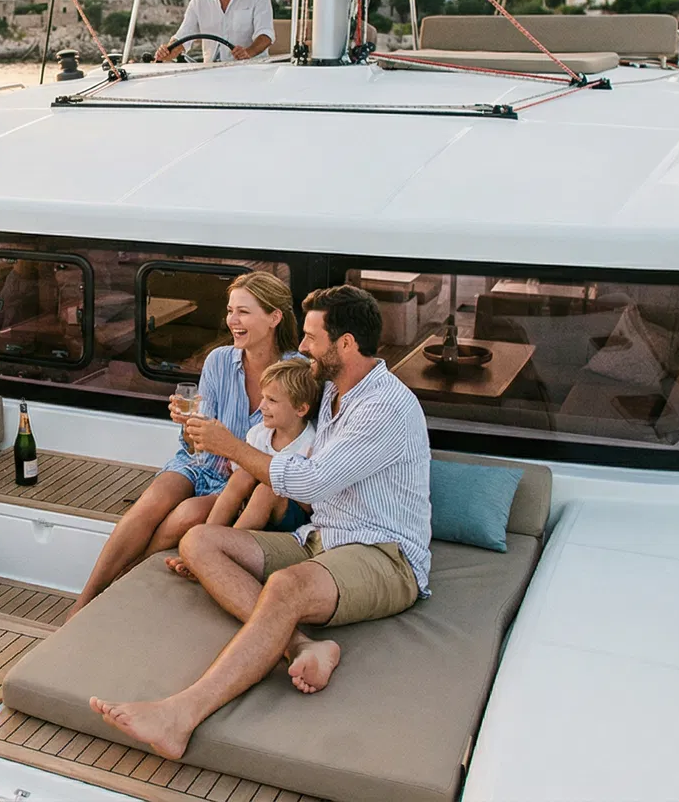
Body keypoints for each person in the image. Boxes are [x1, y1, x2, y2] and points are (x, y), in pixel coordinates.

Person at [90, 285, 432, 762]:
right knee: (200, 541)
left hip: (383, 555)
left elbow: (310, 482)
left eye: (313, 338)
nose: (305, 347)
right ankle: (300, 646)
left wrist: (232, 447)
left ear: (347, 344)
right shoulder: (332, 390)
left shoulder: (384, 407)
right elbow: (290, 435)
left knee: (286, 588)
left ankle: (179, 715)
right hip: (321, 539)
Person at [68, 271, 300, 616]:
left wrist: (226, 447)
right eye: (230, 310)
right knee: (150, 504)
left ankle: (119, 588)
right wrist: (188, 426)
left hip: (244, 481)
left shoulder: (297, 373)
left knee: (184, 517)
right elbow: (196, 443)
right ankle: (84, 600)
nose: (232, 320)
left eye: (244, 312)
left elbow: (293, 449)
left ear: (274, 317)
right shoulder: (220, 360)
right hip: (202, 462)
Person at [199, 358, 318, 533]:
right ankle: (207, 533)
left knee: (266, 490)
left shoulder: (311, 444)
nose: (262, 406)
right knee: (242, 476)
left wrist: (272, 483)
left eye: (272, 400)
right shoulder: (258, 433)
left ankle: (229, 542)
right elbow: (236, 474)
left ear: (300, 409)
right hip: (250, 505)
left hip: (289, 513)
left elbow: (309, 504)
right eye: (263, 397)